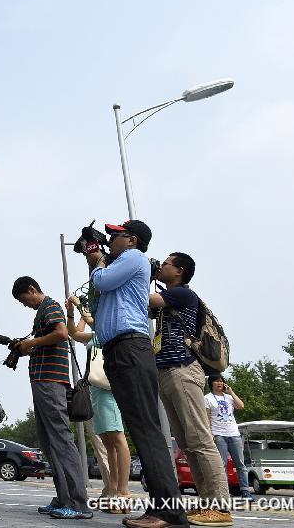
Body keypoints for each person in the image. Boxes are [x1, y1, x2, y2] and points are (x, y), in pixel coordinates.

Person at [80, 220, 188, 528]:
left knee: (147, 431)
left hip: (130, 347)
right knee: (142, 430)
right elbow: (99, 293)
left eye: (117, 235)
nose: (111, 239)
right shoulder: (123, 263)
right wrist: (96, 259)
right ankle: (162, 508)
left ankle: (169, 512)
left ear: (133, 240)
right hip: (120, 349)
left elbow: (100, 282)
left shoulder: (134, 257)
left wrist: (99, 260)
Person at [149, 252, 233, 527]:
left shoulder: (184, 295)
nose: (161, 266)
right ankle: (206, 502)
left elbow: (147, 300)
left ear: (180, 271)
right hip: (168, 372)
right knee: (187, 444)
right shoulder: (167, 298)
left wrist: (140, 273)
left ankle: (220, 507)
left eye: (166, 263)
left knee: (200, 441)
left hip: (183, 370)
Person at [12, 276, 93, 520]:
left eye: (24, 299)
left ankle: (79, 504)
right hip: (42, 381)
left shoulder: (51, 306)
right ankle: (63, 498)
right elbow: (48, 340)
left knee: (61, 439)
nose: (24, 304)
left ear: (32, 289)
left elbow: (61, 333)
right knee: (50, 443)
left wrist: (32, 342)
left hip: (51, 382)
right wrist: (27, 347)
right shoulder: (42, 312)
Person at [66, 294, 132, 512]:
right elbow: (74, 334)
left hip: (108, 389)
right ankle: (113, 489)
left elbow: (93, 320)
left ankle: (124, 491)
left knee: (117, 439)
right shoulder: (95, 335)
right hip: (96, 389)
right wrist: (70, 312)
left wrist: (80, 304)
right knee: (108, 442)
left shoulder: (108, 329)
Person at [205, 375, 253, 500]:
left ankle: (245, 491)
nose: (219, 383)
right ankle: (224, 492)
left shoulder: (229, 397)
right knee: (222, 465)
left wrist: (231, 391)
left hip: (234, 433)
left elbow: (241, 406)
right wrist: (211, 434)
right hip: (219, 434)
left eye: (221, 381)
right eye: (216, 381)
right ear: (211, 383)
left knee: (240, 464)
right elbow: (206, 417)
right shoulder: (207, 398)